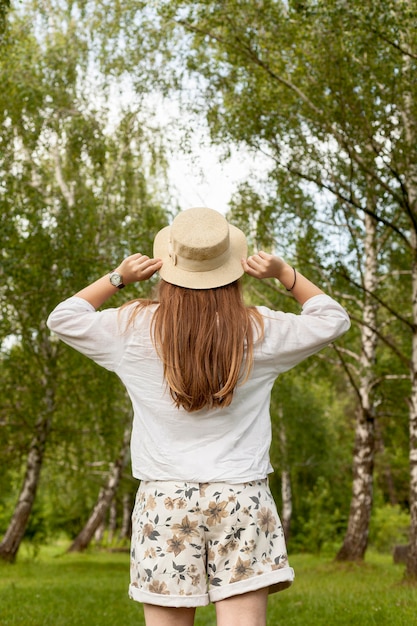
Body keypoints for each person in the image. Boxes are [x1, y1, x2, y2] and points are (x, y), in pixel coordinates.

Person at [47, 207, 350, 626]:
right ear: (233, 270)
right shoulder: (259, 331)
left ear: (166, 267)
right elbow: (333, 319)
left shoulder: (132, 328)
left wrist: (118, 278)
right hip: (241, 498)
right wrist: (285, 273)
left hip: (163, 503)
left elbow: (63, 318)